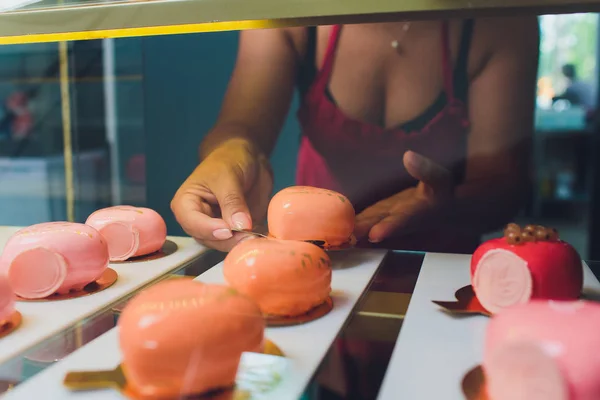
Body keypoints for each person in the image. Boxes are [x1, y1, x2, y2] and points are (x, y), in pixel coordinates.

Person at [171, 17, 540, 254]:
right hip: (320, 257)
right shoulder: (289, 10)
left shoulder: (497, 20)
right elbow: (243, 124)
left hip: (439, 262)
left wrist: (449, 204)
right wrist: (230, 153)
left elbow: (504, 182)